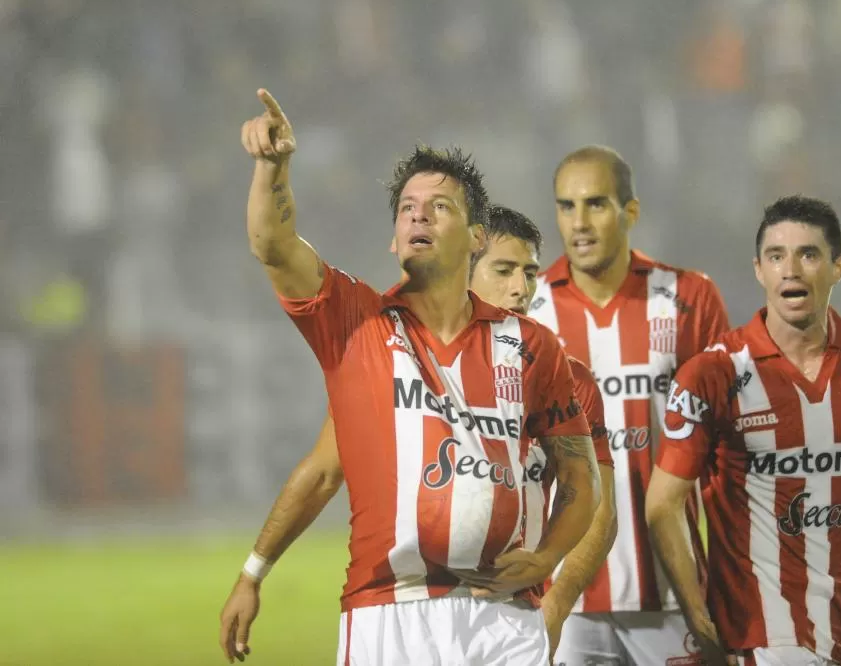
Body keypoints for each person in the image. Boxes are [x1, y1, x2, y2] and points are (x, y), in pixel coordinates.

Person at [219, 90, 599, 666]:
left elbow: (579, 473)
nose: (419, 214)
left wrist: (548, 559)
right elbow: (272, 246)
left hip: (504, 616)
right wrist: (273, 167)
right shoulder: (356, 325)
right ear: (394, 239)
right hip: (388, 614)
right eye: (406, 208)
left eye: (440, 206)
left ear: (475, 236)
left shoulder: (531, 347)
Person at [647, 195, 841, 666]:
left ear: (839, 267)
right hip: (757, 634)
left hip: (837, 627)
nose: (791, 269)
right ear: (759, 270)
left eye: (809, 254)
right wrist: (695, 610)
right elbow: (663, 503)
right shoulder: (714, 373)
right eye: (776, 256)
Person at [528, 145, 730, 665]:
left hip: (668, 593)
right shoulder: (529, 310)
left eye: (595, 204)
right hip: (562, 599)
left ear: (630, 211)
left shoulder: (688, 298)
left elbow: (726, 456)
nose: (579, 222)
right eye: (566, 206)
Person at [462, 206, 619, 652]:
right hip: (420, 608)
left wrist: (555, 605)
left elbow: (598, 508)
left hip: (514, 618)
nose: (521, 288)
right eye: (504, 270)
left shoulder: (572, 381)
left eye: (530, 273)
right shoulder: (417, 365)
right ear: (464, 270)